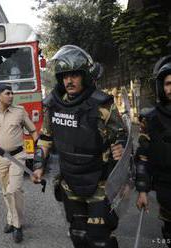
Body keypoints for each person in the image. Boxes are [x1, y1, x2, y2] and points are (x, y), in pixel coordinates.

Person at [31, 45, 126, 248]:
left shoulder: (102, 105)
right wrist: (38, 165)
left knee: (100, 239)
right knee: (78, 235)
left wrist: (122, 151)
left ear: (85, 76)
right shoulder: (53, 105)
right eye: (65, 76)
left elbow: (121, 138)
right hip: (69, 181)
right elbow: (45, 138)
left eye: (74, 75)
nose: (69, 80)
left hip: (99, 181)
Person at [0, 83, 38, 243]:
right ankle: (11, 219)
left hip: (18, 157)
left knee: (14, 189)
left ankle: (17, 226)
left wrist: (40, 151)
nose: (11, 96)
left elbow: (33, 131)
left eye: (12, 93)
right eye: (8, 93)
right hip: (0, 158)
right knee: (6, 191)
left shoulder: (20, 111)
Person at [135, 55, 171, 248]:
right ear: (161, 87)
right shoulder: (151, 120)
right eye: (168, 83)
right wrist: (142, 190)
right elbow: (143, 157)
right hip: (166, 190)